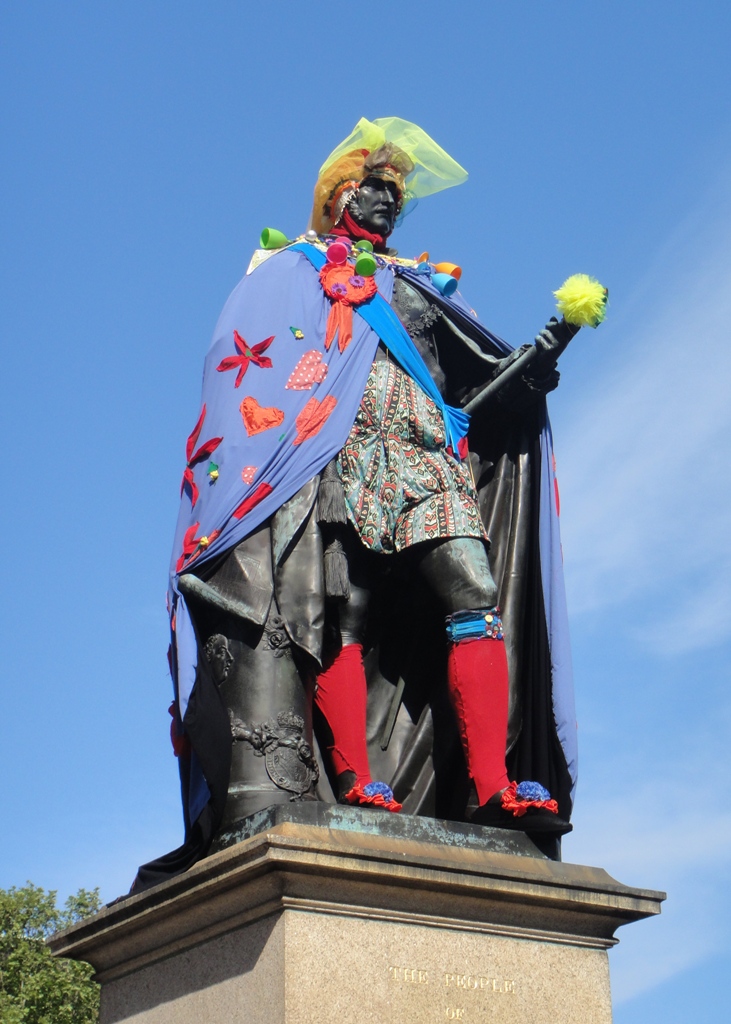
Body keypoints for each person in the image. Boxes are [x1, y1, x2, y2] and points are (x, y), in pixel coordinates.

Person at [133, 118, 578, 893]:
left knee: (474, 595)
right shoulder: (289, 267)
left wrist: (531, 371)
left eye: (394, 198)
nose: (385, 206)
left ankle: (491, 782)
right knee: (345, 612)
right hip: (332, 452)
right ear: (340, 196)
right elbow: (251, 371)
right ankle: (355, 777)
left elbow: (474, 379)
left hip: (424, 452)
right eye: (373, 191)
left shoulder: (425, 283)